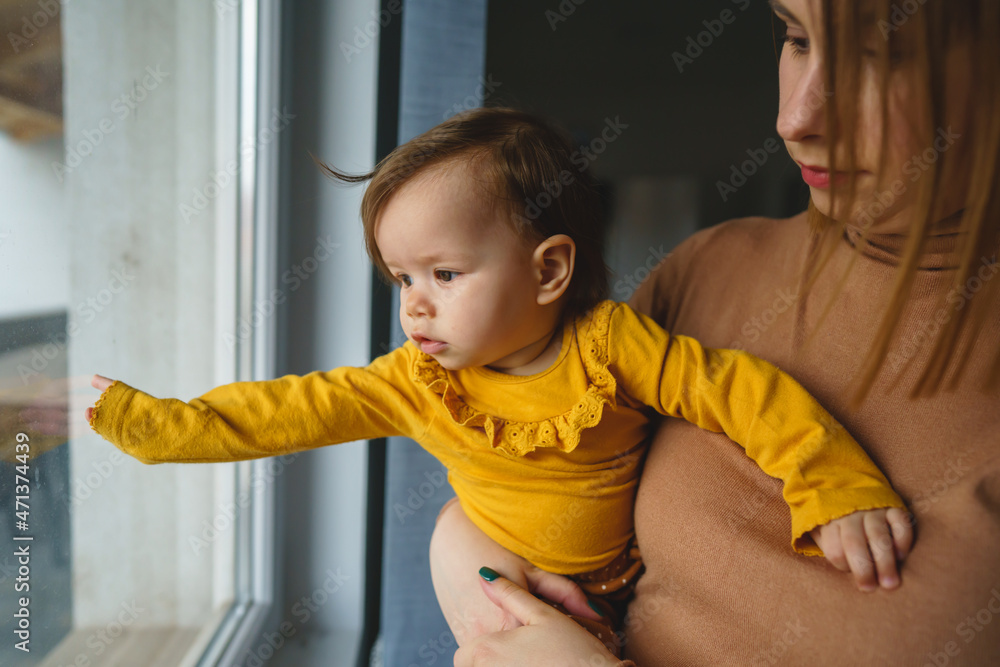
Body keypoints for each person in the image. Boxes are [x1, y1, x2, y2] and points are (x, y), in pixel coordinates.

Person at [87, 107, 912, 658]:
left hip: (616, 590)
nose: (414, 305)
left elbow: (742, 391)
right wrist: (162, 426)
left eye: (443, 273)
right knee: (459, 552)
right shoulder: (417, 381)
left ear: (549, 269)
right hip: (502, 580)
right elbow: (293, 407)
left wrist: (831, 483)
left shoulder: (612, 347)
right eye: (400, 278)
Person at [433, 1, 1000, 665]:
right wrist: (466, 556)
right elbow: (532, 495)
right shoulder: (708, 269)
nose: (796, 119)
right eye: (793, 38)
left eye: (876, 57)